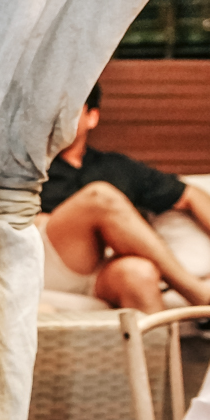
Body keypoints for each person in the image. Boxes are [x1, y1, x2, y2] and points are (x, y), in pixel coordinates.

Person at [37, 81, 210, 311]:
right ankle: (200, 296)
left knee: (139, 273)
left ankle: (158, 336)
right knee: (100, 196)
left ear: (92, 117)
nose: (59, 118)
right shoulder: (30, 165)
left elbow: (191, 195)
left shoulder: (117, 166)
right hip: (53, 260)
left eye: (69, 109)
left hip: (104, 269)